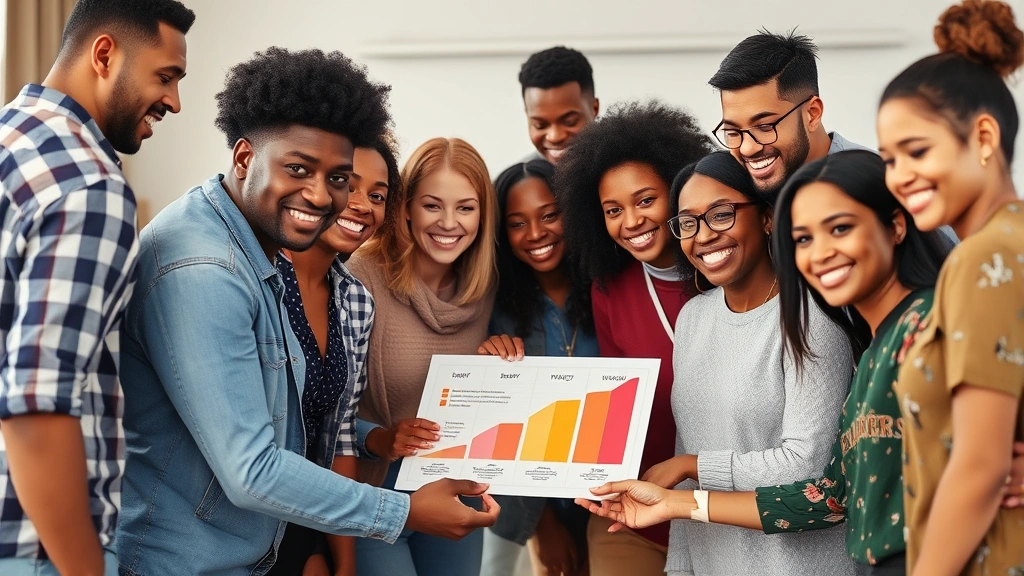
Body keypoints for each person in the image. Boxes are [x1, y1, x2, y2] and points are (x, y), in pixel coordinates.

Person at [114, 49, 498, 575]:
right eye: (298, 169)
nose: (322, 195)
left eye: (338, 178)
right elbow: (252, 468)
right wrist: (402, 510)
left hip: (256, 549)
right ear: (245, 157)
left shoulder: (263, 249)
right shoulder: (205, 266)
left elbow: (305, 419)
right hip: (183, 560)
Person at [0, 1, 194, 574]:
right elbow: (36, 406)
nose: (175, 102)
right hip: (38, 549)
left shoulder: (11, 140)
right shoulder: (90, 187)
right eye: (166, 76)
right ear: (104, 55)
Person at [640, 150, 854, 576]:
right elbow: (686, 446)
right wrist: (679, 567)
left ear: (768, 218)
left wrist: (692, 465)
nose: (702, 236)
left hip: (798, 565)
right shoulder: (693, 319)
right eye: (687, 222)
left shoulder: (810, 317)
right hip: (711, 561)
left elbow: (805, 465)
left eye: (721, 214)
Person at [877, 1, 1024, 573]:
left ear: (983, 136)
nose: (899, 175)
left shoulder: (984, 258)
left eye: (917, 150)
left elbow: (979, 467)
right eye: (890, 158)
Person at [555, 100, 714, 576]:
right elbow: (619, 405)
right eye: (612, 210)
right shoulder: (609, 288)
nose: (631, 222)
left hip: (722, 511)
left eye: (646, 200)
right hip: (633, 516)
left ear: (681, 191)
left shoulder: (728, 276)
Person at [349, 137, 499, 576]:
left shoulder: (486, 286)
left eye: (466, 208)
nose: (449, 223)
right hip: (375, 490)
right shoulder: (362, 275)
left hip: (455, 487)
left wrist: (507, 354)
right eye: (433, 206)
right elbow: (320, 399)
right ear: (407, 208)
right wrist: (375, 436)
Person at [267, 139, 402, 576]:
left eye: (377, 196)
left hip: (309, 520)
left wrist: (344, 563)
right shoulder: (257, 280)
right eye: (348, 184)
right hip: (234, 521)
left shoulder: (356, 302)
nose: (361, 205)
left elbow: (339, 435)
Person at [478, 159, 598, 576]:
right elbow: (500, 426)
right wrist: (543, 525)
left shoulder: (609, 290)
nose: (535, 234)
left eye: (550, 215)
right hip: (533, 506)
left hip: (612, 495)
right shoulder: (494, 310)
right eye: (516, 223)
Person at [708, 30, 869, 200]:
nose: (747, 148)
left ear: (812, 114)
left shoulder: (877, 186)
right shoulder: (738, 194)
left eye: (765, 127)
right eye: (733, 133)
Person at [519, 46, 599, 164]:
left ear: (594, 108)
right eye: (540, 125)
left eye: (570, 122)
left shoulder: (625, 173)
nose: (554, 137)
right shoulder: (522, 180)